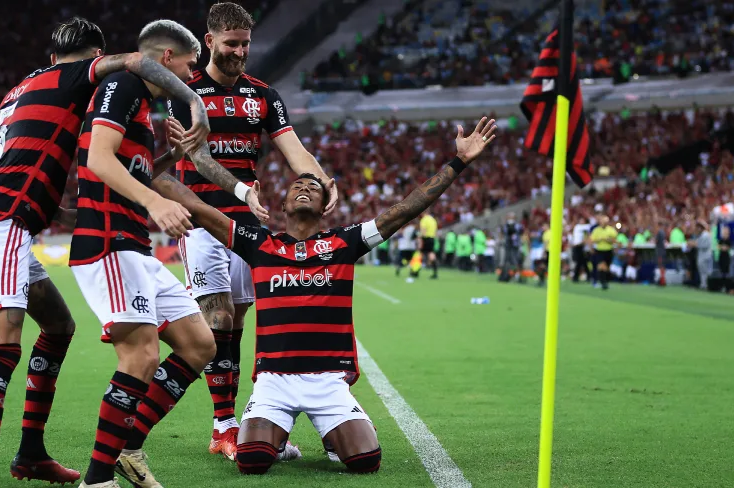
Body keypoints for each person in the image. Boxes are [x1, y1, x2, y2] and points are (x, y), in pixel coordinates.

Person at [0, 17, 211, 488]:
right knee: (2, 344)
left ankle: (31, 453)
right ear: (93, 58)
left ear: (51, 55)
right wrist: (196, 103)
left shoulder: (22, 87)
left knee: (58, 325)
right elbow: (136, 62)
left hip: (5, 216)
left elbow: (39, 154)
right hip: (1, 219)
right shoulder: (76, 75)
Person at [169, 117, 496, 475]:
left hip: (327, 381)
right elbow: (198, 209)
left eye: (313, 186)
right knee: (251, 462)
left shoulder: (344, 242)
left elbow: (405, 209)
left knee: (366, 462)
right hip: (274, 381)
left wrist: (459, 162)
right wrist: (144, 167)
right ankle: (282, 434)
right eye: (297, 185)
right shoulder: (260, 244)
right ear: (283, 206)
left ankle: (331, 430)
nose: (304, 188)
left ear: (326, 203)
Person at [67, 20, 266, 488]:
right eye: (190, 64)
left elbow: (133, 169)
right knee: (140, 356)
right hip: (108, 241)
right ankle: (98, 478)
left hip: (135, 246)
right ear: (168, 58)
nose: (191, 74)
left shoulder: (142, 109)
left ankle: (128, 448)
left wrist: (170, 160)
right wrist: (155, 202)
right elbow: (98, 158)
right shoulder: (123, 85)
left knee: (201, 345)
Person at [168, 2, 336, 458]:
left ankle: (229, 422)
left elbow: (294, 150)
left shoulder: (263, 95)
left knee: (238, 322)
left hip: (247, 226)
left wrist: (323, 179)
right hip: (201, 217)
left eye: (245, 44)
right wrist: (241, 190)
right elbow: (197, 156)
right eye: (231, 44)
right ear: (209, 41)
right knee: (218, 318)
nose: (240, 52)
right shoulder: (184, 92)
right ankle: (224, 425)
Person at [589, 215, 617, 290]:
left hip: (608, 250)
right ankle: (602, 282)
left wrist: (609, 240)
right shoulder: (596, 230)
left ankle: (605, 281)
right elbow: (592, 240)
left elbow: (615, 240)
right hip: (600, 250)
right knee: (602, 266)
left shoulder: (611, 230)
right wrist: (599, 240)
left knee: (607, 267)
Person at [419, 211, 439, 278]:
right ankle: (435, 272)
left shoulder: (424, 219)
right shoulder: (433, 220)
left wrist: (422, 240)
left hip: (426, 238)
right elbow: (436, 231)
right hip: (432, 238)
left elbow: (423, 230)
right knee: (431, 254)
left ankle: (415, 271)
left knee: (420, 254)